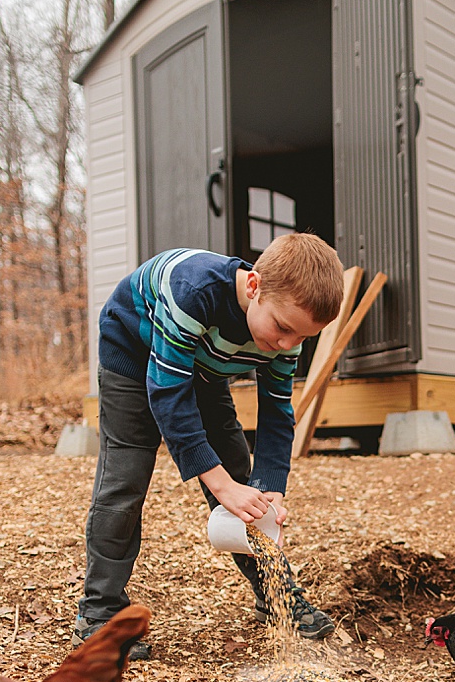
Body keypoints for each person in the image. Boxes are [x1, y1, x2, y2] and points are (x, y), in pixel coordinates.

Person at [76, 233, 346, 658]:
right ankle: (99, 614)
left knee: (242, 480)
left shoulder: (285, 330)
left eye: (302, 339)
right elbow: (169, 395)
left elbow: (277, 411)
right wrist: (221, 486)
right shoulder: (193, 291)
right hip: (134, 351)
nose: (287, 346)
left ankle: (275, 595)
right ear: (254, 287)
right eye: (283, 329)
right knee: (124, 482)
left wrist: (269, 487)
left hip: (202, 368)